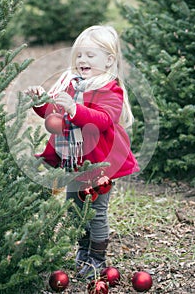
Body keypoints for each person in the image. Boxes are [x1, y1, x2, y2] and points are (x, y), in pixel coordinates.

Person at [25, 25, 139, 279]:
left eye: (90, 55)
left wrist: (75, 109)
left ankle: (96, 258)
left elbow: (104, 119)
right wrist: (42, 101)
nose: (82, 60)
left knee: (96, 213)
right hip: (73, 162)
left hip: (100, 166)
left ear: (109, 60)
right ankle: (82, 251)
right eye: (79, 55)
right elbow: (54, 116)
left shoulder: (111, 88)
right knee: (74, 208)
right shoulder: (70, 83)